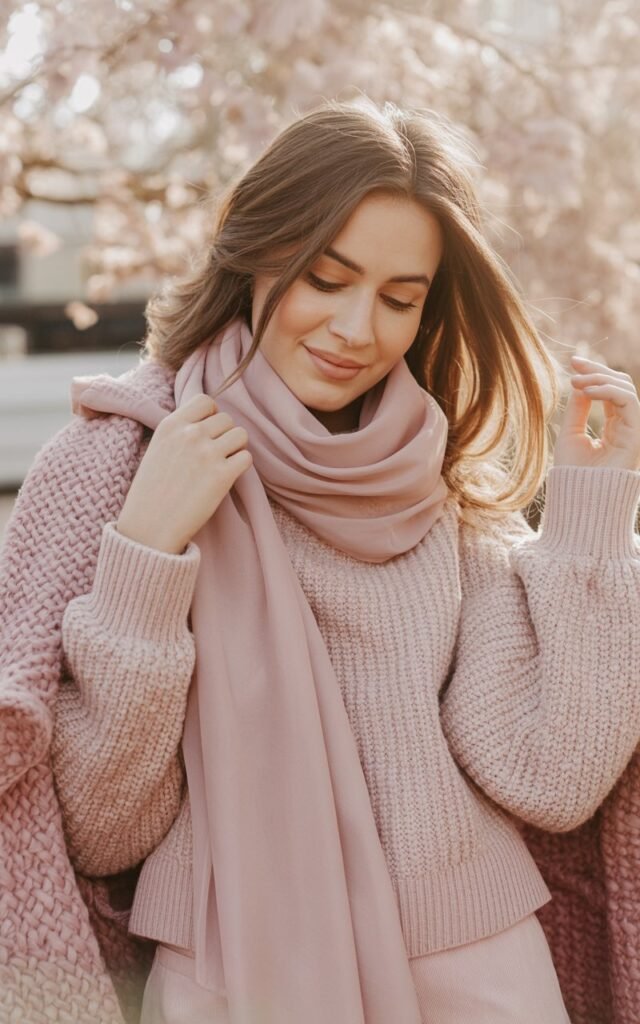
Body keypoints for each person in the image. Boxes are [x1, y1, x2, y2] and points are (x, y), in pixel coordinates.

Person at [1, 96, 639, 1024]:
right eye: (326, 278)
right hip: (235, 973)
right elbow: (101, 830)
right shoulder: (120, 464)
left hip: (477, 969)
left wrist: (586, 515)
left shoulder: (446, 486)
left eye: (398, 299)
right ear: (260, 253)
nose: (355, 329)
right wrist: (146, 551)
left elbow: (552, 775)